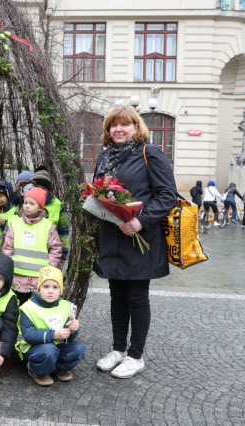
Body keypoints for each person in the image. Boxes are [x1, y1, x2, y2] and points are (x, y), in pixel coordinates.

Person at [93, 106, 177, 379]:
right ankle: (118, 350)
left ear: (136, 128)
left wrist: (140, 221)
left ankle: (135, 355)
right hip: (112, 236)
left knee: (137, 297)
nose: (118, 129)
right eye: (113, 126)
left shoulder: (148, 153)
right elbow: (99, 195)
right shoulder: (104, 157)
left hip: (139, 235)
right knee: (116, 296)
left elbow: (167, 195)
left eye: (124, 125)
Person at [16, 266, 84, 386]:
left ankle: (58, 368)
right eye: (46, 286)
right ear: (38, 289)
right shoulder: (28, 308)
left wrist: (73, 329)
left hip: (57, 346)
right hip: (34, 347)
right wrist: (53, 335)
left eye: (55, 287)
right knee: (49, 350)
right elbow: (28, 335)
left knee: (79, 349)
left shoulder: (66, 306)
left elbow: (69, 337)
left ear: (61, 290)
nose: (50, 291)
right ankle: (37, 370)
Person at [2, 187, 62, 305]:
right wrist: (9, 264)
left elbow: (56, 248)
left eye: (32, 203)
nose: (27, 206)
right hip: (17, 276)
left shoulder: (48, 226)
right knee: (17, 305)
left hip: (39, 277)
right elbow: (7, 246)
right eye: (25, 202)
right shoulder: (15, 224)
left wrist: (49, 266)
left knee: (35, 307)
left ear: (40, 207)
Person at [31, 167, 69, 262]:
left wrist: (63, 252)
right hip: (29, 249)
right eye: (37, 188)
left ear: (48, 190)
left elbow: (63, 231)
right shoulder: (27, 203)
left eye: (43, 188)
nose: (40, 191)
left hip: (49, 252)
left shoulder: (58, 205)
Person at [0, 181, 17, 256]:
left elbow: (16, 231)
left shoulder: (14, 212)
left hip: (6, 253)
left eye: (1, 196)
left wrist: (4, 223)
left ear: (8, 197)